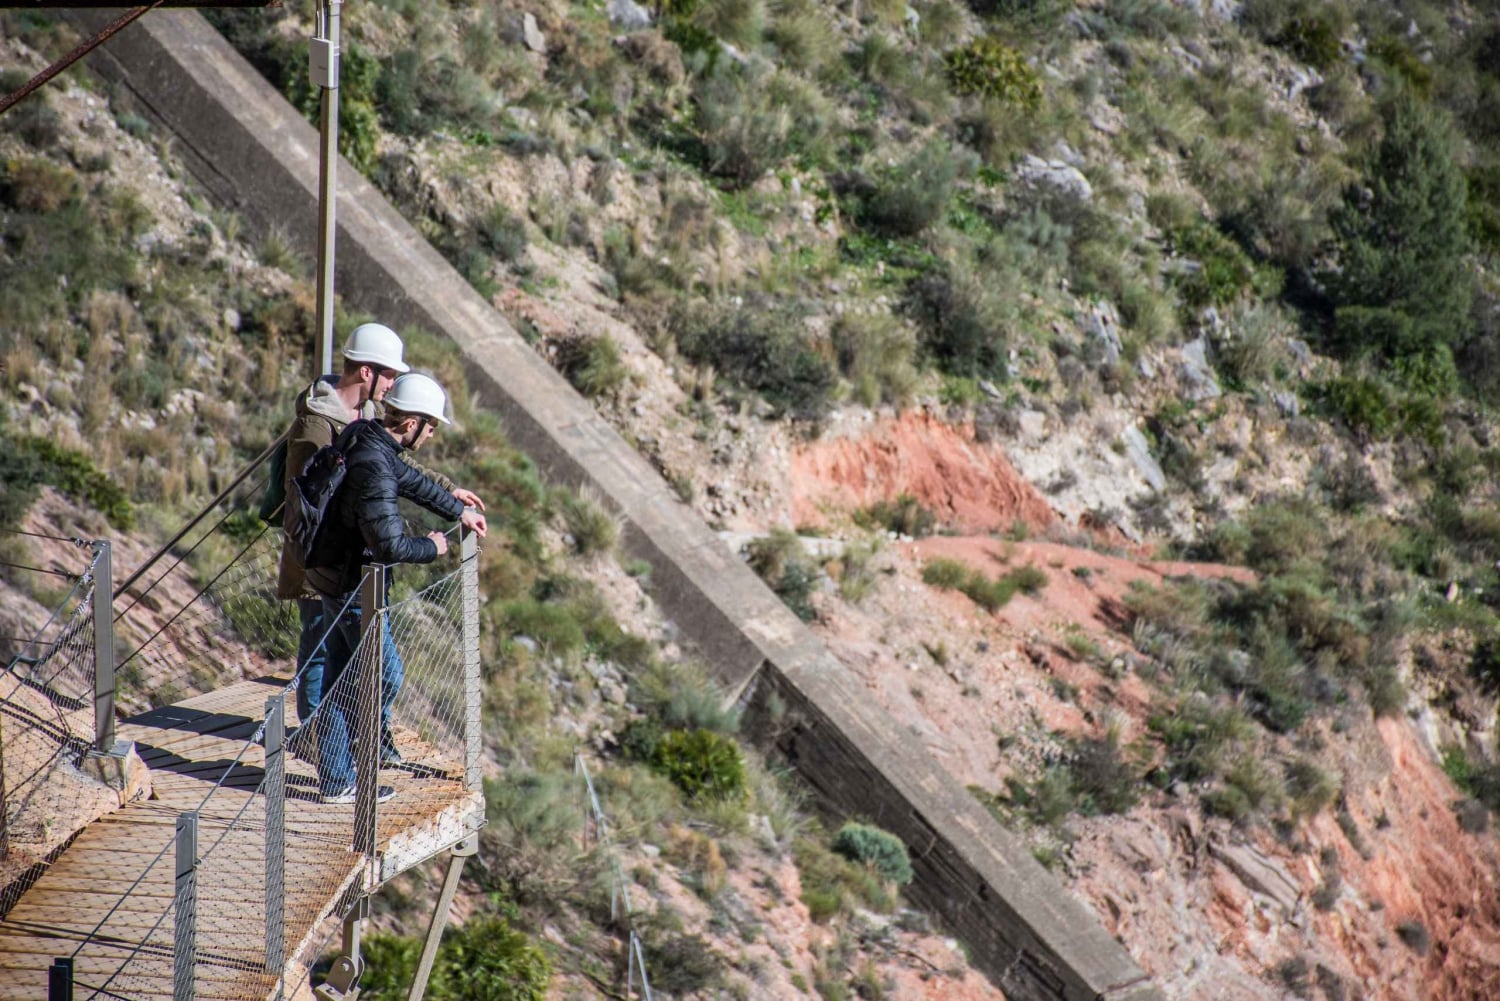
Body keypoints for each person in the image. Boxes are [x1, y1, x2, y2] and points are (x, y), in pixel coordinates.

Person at [276, 323, 484, 762]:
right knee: (355, 666)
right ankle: (329, 743)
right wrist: (433, 546)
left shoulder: (365, 428)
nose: (391, 385)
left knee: (337, 665)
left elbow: (400, 473)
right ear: (367, 372)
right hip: (330, 561)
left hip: (339, 563)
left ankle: (339, 751)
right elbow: (307, 499)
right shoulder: (320, 427)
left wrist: (451, 502)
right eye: (388, 375)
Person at [304, 372, 487, 804]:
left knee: (337, 677)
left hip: (331, 573)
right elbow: (389, 544)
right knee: (382, 675)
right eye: (432, 427)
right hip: (352, 586)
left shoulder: (367, 437)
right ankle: (349, 763)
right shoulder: (374, 468)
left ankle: (335, 778)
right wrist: (433, 546)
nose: (431, 436)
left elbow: (411, 481)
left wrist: (456, 508)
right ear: (412, 423)